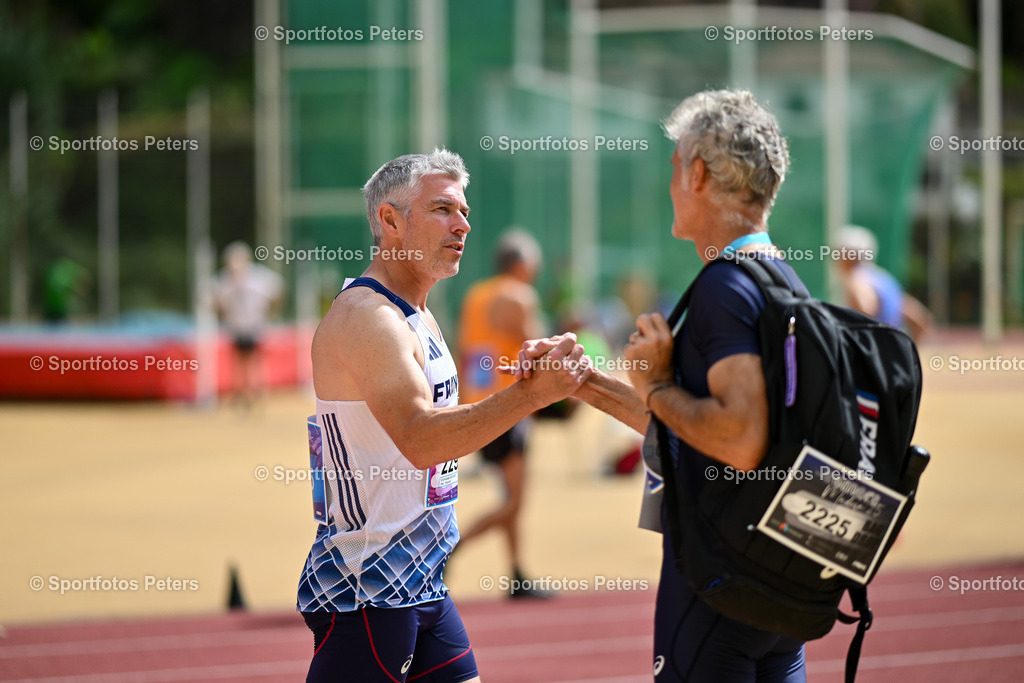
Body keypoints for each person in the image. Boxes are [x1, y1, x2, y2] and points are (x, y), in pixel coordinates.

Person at [515, 90, 808, 682]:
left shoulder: (725, 288)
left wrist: (651, 385)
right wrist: (586, 382)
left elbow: (738, 436)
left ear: (698, 174)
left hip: (719, 577)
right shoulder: (783, 278)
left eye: (675, 166)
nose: (671, 181)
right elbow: (691, 429)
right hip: (781, 568)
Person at [296, 148, 591, 683]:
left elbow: (442, 420)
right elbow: (421, 438)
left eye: (465, 212)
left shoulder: (420, 314)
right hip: (367, 589)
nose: (463, 225)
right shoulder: (369, 318)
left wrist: (526, 380)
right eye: (442, 210)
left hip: (423, 581)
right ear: (390, 220)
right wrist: (528, 396)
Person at [456, 230, 550, 599]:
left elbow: (469, 350)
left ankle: (517, 573)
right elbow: (540, 348)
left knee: (510, 494)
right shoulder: (521, 295)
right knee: (515, 501)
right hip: (510, 406)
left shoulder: (476, 295)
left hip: (479, 406)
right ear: (523, 264)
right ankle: (450, 550)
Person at [214, 241, 284, 407]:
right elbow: (217, 299)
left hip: (254, 324)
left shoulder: (259, 278)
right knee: (238, 360)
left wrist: (270, 312)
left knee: (253, 359)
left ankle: (255, 390)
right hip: (236, 325)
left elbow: (276, 291)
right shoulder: (224, 281)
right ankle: (240, 392)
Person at [835, 225, 932, 342]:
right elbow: (919, 319)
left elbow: (864, 311)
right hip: (889, 351)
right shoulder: (884, 279)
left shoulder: (856, 281)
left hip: (870, 353)